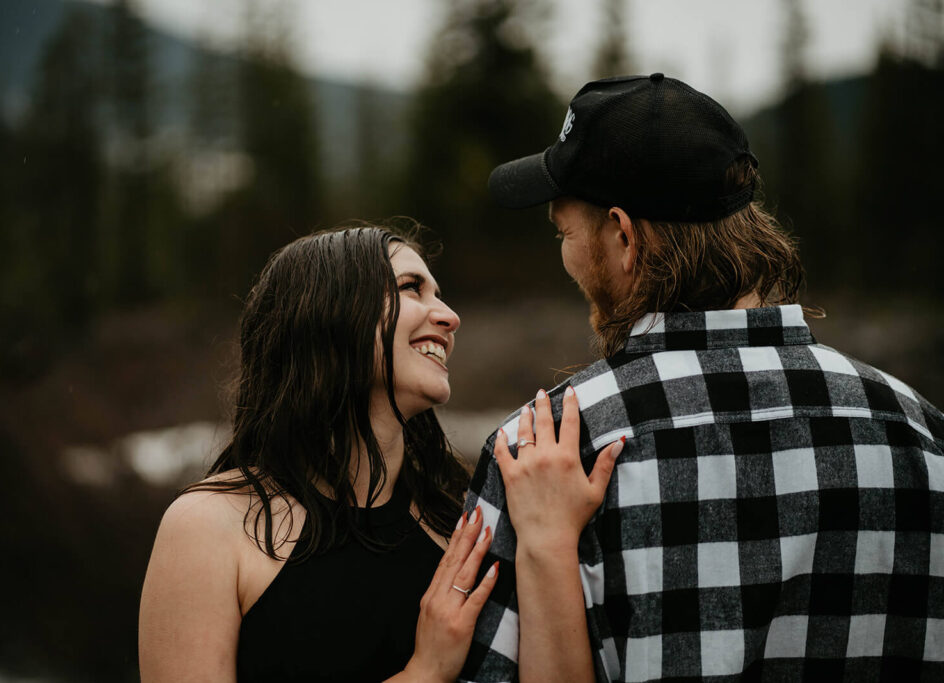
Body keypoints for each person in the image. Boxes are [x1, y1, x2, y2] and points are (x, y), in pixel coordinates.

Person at [461, 74, 944, 682]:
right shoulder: (919, 429)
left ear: (623, 236)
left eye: (565, 233)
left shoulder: (543, 458)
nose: (566, 257)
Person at [138, 225, 622, 682]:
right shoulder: (209, 528)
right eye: (412, 287)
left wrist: (550, 539)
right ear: (327, 312)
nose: (451, 317)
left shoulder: (461, 523)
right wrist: (424, 672)